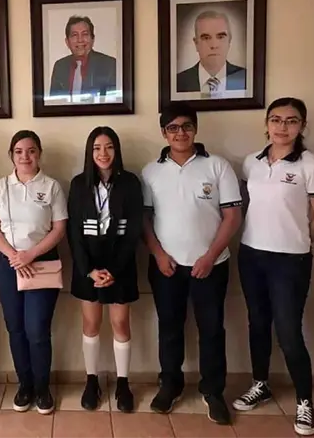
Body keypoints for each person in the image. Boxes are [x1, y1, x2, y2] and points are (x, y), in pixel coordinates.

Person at [232, 97, 314, 436]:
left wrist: (295, 240)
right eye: (276, 119)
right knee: (258, 323)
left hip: (290, 261)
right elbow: (248, 207)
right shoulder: (252, 163)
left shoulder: (313, 165)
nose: (282, 127)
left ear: (302, 126)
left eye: (291, 121)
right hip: (251, 255)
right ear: (266, 124)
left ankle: (305, 401)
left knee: (289, 332)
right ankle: (261, 384)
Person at [141, 103, 242, 425]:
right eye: (173, 128)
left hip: (211, 265)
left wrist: (210, 257)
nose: (180, 133)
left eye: (186, 126)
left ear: (195, 129)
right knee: (169, 327)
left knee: (211, 330)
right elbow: (145, 220)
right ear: (164, 133)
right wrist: (158, 254)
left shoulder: (217, 166)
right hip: (166, 266)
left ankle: (213, 391)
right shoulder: (151, 171)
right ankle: (170, 384)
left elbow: (232, 216)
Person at [0, 130, 68, 415]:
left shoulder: (52, 186)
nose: (25, 156)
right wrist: (14, 256)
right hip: (8, 265)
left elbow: (59, 228)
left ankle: (43, 388)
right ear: (11, 155)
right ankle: (25, 386)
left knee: (37, 329)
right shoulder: (0, 187)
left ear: (39, 154)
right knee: (16, 328)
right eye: (19, 151)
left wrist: (30, 254)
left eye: (31, 151)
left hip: (41, 264)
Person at [67, 126, 143, 413]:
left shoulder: (130, 182)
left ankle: (123, 383)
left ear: (117, 150)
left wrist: (114, 270)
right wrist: (88, 270)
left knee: (120, 324)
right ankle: (92, 381)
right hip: (88, 265)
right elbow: (74, 232)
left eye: (109, 147)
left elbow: (134, 230)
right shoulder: (78, 184)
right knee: (90, 324)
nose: (103, 153)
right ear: (90, 152)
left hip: (120, 265)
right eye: (97, 148)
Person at [176, 10, 246, 94]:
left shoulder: (247, 78)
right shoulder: (177, 82)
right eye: (206, 38)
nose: (214, 45)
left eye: (220, 37)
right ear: (196, 43)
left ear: (229, 41)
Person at [49, 16, 117, 100]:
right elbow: (54, 102)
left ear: (92, 39)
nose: (80, 40)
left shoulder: (110, 65)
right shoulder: (60, 66)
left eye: (85, 34)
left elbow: (114, 101)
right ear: (67, 42)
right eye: (74, 35)